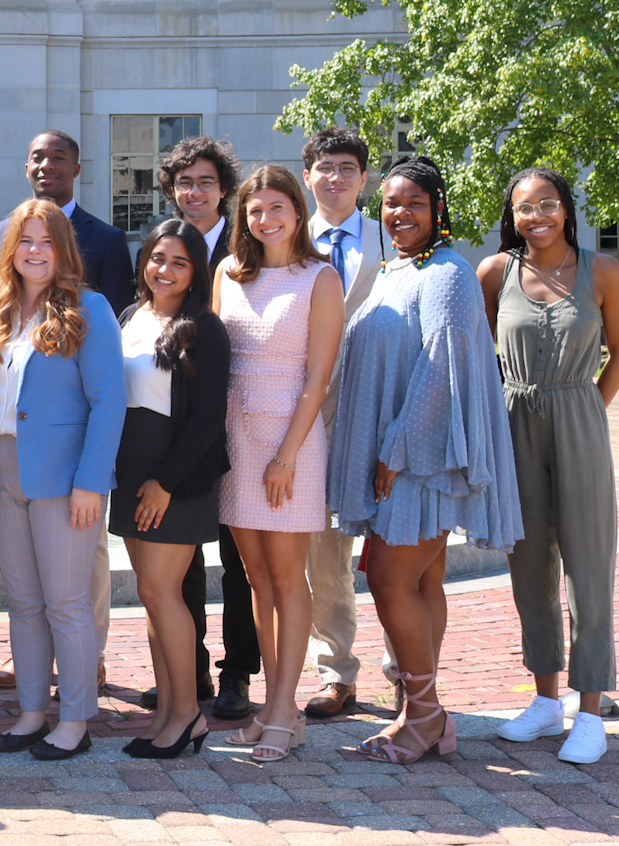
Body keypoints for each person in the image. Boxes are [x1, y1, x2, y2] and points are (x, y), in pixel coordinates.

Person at [330, 156, 524, 764]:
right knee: (422, 581)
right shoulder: (396, 269)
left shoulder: (446, 274)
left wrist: (394, 449)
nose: (399, 212)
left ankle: (428, 713)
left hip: (419, 458)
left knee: (388, 580)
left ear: (439, 207)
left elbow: (441, 370)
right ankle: (422, 714)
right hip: (401, 456)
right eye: (390, 203)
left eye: (413, 201)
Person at [481, 168, 619, 764]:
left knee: (588, 565)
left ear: (566, 208)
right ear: (511, 216)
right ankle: (545, 702)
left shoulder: (605, 271)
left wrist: (589, 406)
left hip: (579, 419)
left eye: (548, 204)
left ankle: (589, 710)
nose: (536, 215)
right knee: (529, 563)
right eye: (524, 208)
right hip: (515, 421)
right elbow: (475, 351)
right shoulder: (495, 273)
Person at [0, 199, 125, 761]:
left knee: (67, 603)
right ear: (11, 250)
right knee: (24, 602)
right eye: (25, 242)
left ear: (64, 249)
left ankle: (76, 719)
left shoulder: (91, 308)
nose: (35, 252)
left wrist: (92, 482)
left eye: (46, 242)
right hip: (2, 469)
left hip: (65, 479)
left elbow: (109, 402)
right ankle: (32, 713)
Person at [214, 165, 344, 763]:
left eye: (276, 207)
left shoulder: (320, 278)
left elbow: (318, 378)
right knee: (255, 579)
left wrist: (287, 455)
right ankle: (275, 706)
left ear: (297, 210)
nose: (265, 218)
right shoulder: (228, 273)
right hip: (236, 439)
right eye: (255, 209)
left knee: (290, 578)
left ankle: (284, 710)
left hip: (290, 441)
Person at [110, 220, 230, 759]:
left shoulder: (204, 327)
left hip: (176, 475)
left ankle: (187, 715)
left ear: (196, 271)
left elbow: (207, 420)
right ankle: (168, 712)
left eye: (180, 262)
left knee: (164, 594)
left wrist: (165, 483)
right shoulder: (130, 316)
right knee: (152, 596)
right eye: (158, 258)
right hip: (132, 471)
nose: (165, 269)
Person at [146, 136, 250, 720]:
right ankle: (191, 677)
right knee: (179, 564)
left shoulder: (247, 246)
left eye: (206, 182)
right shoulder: (165, 248)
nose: (194, 192)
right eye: (185, 182)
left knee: (236, 560)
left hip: (240, 424)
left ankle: (238, 672)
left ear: (224, 188)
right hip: (182, 432)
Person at [298, 127, 387, 720]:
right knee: (323, 552)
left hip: (380, 408)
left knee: (398, 547)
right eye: (324, 167)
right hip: (305, 417)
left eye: (347, 167)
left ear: (364, 178)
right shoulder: (279, 235)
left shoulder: (394, 236)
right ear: (307, 176)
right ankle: (338, 671)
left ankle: (409, 669)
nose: (335, 177)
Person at [0, 131, 135, 314]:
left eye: (58, 158)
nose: (46, 166)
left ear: (76, 170)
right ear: (27, 169)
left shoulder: (107, 240)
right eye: (38, 158)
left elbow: (118, 315)